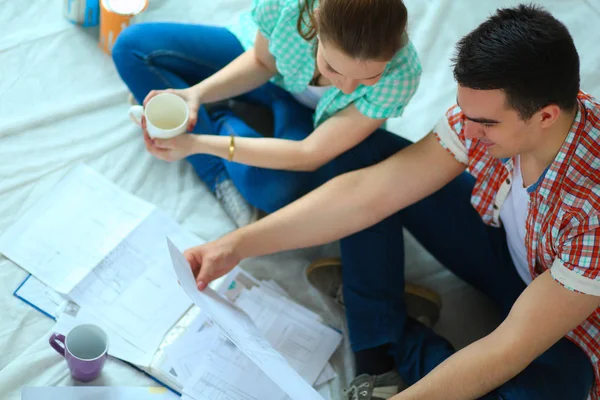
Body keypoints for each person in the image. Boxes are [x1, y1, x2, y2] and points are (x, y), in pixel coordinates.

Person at [181, 4, 600, 399]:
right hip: (512, 250)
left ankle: (399, 339)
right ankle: (379, 350)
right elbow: (368, 194)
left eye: (486, 123)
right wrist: (234, 245)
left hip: (572, 328)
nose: (467, 131)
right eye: (465, 113)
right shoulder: (480, 118)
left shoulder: (591, 214)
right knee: (363, 153)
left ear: (545, 116)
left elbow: (508, 347)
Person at [111, 0, 421, 228]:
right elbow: (261, 64)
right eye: (333, 68)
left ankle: (218, 122)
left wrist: (197, 143)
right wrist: (197, 94)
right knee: (130, 47)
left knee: (271, 190)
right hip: (262, 68)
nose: (349, 89)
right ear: (314, 22)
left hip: (308, 120)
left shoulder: (401, 75)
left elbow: (309, 153)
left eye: (368, 78)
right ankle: (218, 167)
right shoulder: (288, 6)